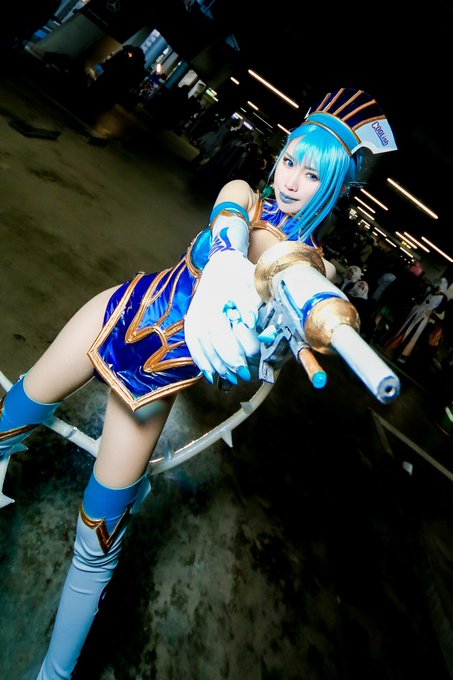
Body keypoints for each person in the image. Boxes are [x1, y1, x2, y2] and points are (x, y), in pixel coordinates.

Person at [0, 87, 397, 679]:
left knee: (99, 532)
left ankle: (53, 675)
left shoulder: (314, 266)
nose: (291, 181)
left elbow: (302, 290)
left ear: (336, 187)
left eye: (313, 175)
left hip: (153, 383)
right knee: (12, 416)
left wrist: (288, 326)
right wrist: (228, 262)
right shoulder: (245, 194)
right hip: (116, 311)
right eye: (290, 161)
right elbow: (231, 216)